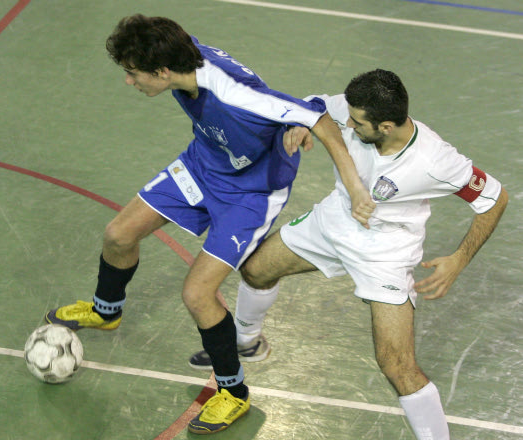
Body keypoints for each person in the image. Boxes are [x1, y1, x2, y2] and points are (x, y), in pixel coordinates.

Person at [45, 14, 374, 435]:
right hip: (203, 164)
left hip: (251, 192)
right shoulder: (181, 54)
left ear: (163, 71)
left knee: (197, 294)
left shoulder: (231, 93)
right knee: (118, 235)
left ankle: (233, 393)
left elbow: (319, 119)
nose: (129, 80)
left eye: (133, 72)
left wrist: (354, 187)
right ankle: (105, 310)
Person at [188, 69, 508, 439]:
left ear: (385, 126)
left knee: (397, 365)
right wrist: (302, 125)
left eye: (357, 123)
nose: (348, 125)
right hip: (333, 221)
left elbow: (494, 198)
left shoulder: (435, 161)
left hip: (385, 253)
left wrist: (458, 260)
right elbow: (313, 108)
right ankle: (248, 342)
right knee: (256, 270)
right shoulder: (350, 109)